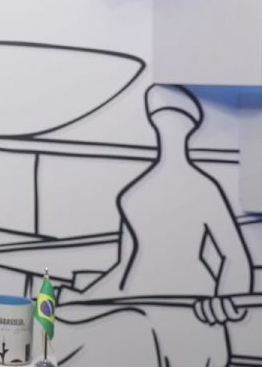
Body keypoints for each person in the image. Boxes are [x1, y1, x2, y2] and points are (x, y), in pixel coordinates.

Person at [54, 84, 253, 366]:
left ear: (189, 127)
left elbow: (234, 256)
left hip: (191, 307)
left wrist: (225, 299)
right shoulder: (132, 195)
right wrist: (83, 298)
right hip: (140, 306)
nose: (168, 128)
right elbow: (125, 266)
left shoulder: (203, 189)